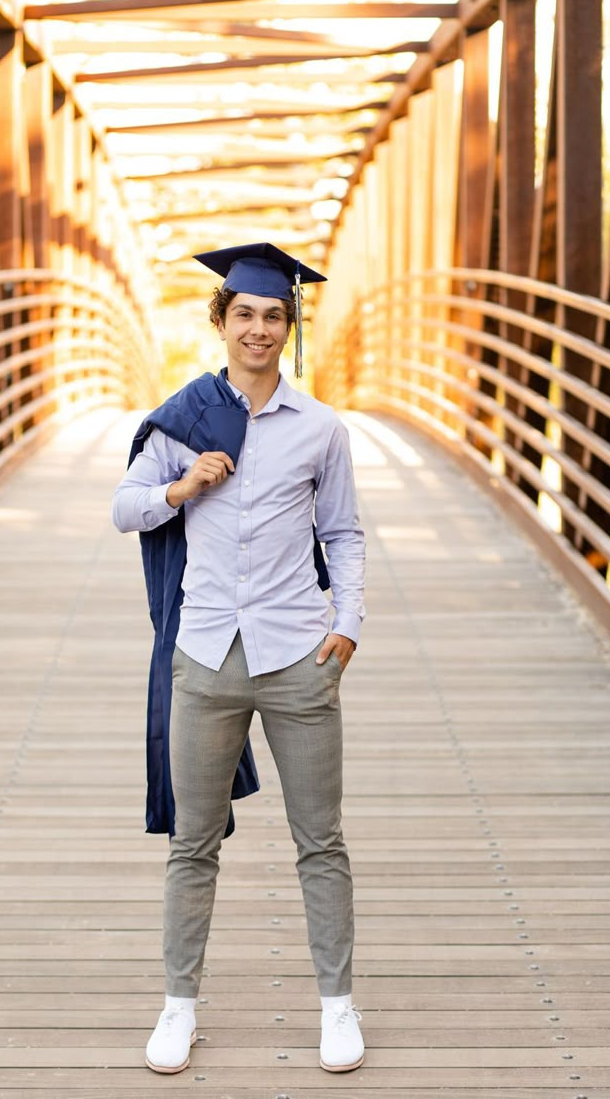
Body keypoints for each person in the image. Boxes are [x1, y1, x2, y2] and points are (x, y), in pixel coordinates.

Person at [111, 242, 366, 1075]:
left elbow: (343, 534)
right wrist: (179, 491)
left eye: (273, 316)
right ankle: (178, 1007)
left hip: (297, 653)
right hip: (206, 653)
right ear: (220, 323)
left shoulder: (320, 429)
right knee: (194, 841)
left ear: (289, 327)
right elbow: (124, 510)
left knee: (319, 839)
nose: (259, 329)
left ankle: (337, 1007)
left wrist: (349, 623)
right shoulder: (180, 422)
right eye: (244, 314)